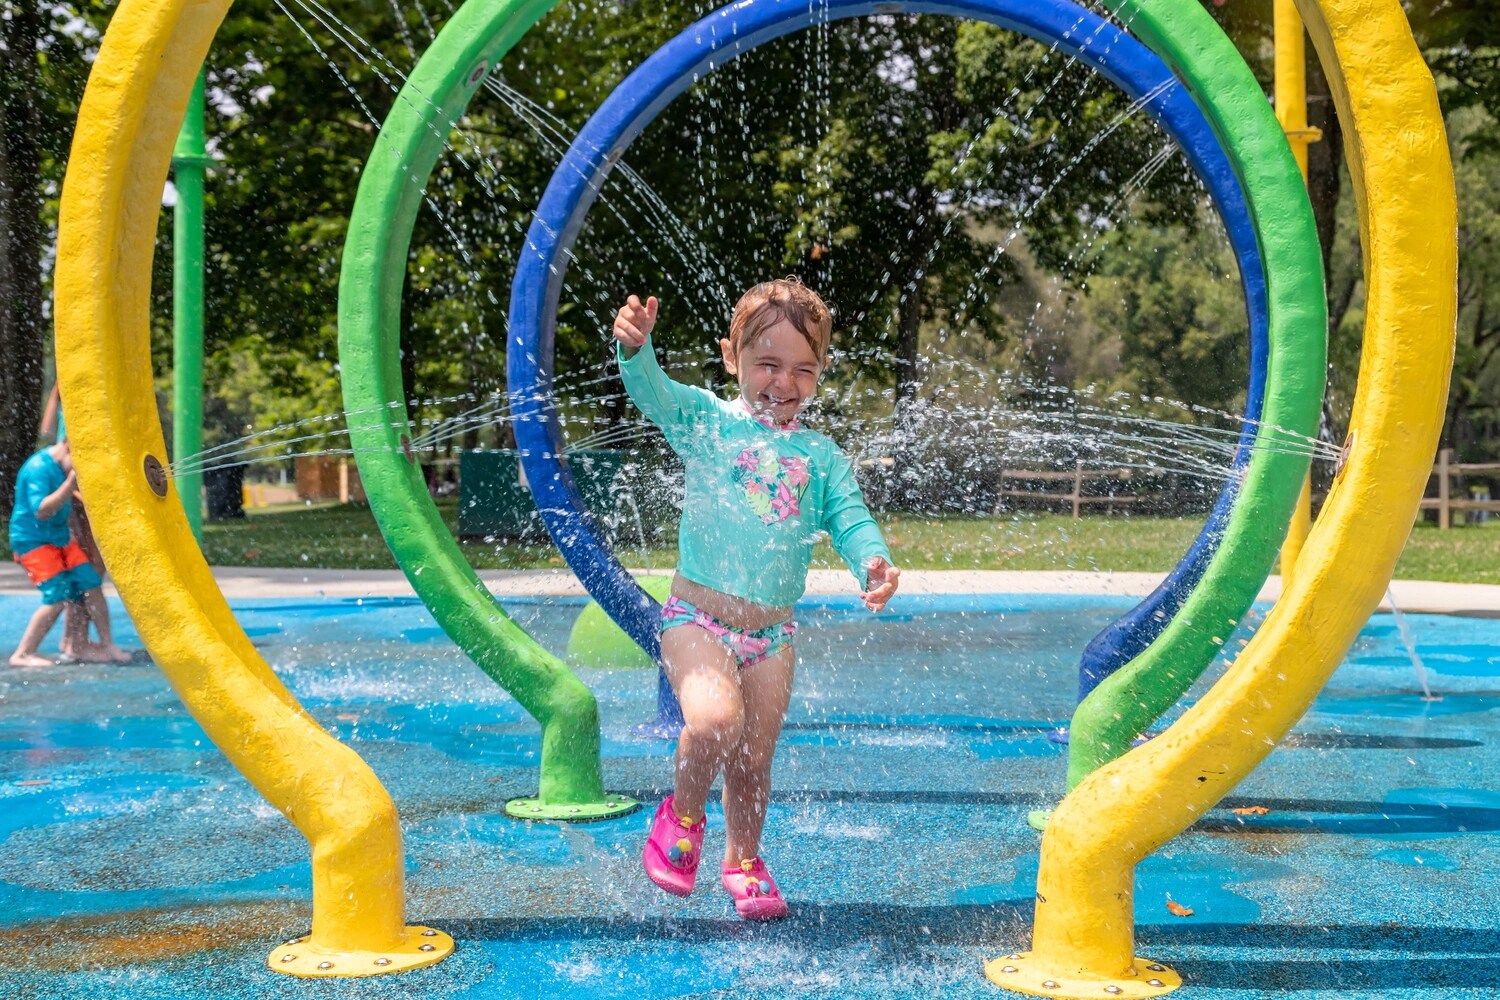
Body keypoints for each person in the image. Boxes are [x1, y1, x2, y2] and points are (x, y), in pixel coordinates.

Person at [613, 278, 900, 920]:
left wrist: (871, 559)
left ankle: (743, 858)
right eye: (767, 364)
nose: (784, 382)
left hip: (772, 637)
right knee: (715, 723)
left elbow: (850, 518)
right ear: (730, 357)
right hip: (696, 619)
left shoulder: (821, 456)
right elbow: (654, 394)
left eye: (803, 369)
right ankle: (680, 818)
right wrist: (637, 352)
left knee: (752, 758)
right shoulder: (708, 423)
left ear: (820, 372)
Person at [8, 439, 130, 667]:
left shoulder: (63, 465)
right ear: (67, 447)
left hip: (61, 537)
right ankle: (23, 654)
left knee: (90, 583)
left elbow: (65, 509)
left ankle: (99, 645)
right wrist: (71, 482)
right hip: (33, 540)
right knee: (57, 596)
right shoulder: (39, 469)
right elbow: (42, 510)